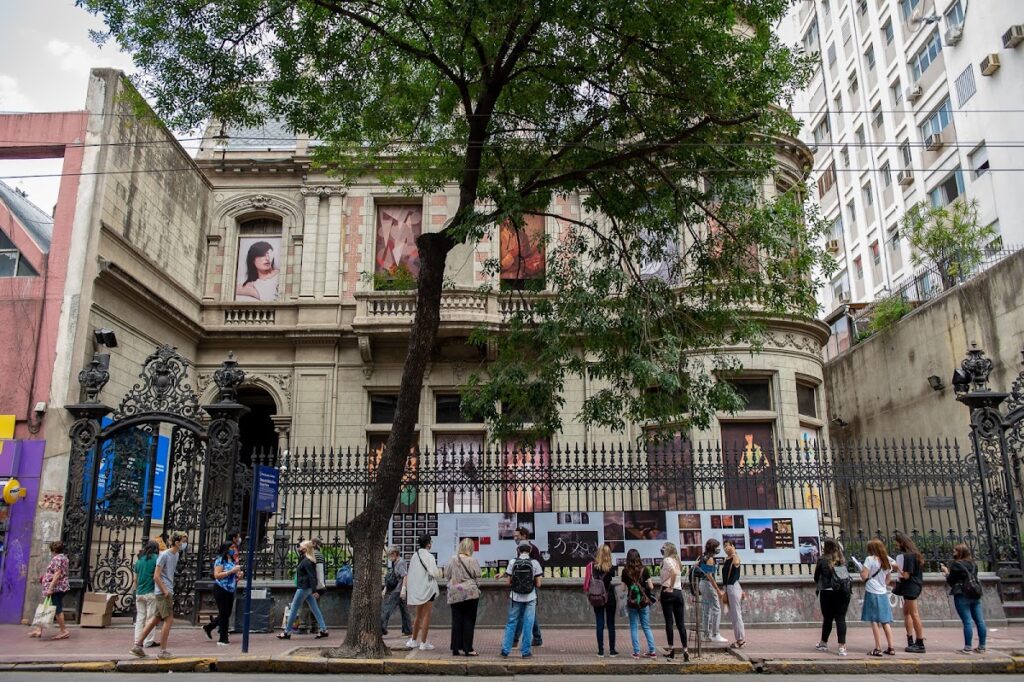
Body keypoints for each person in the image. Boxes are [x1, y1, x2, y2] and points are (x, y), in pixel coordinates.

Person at [131, 531, 188, 659]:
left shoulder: (176, 554)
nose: (185, 544)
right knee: (169, 620)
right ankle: (162, 651)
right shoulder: (164, 555)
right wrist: (165, 591)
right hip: (163, 592)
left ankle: (138, 645)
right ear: (177, 542)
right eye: (183, 541)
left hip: (166, 590)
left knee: (156, 619)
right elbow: (156, 576)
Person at [277, 540, 329, 640]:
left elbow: (312, 576)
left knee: (294, 609)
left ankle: (287, 632)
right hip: (307, 588)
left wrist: (314, 590)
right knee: (315, 609)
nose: (299, 549)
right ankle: (323, 629)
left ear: (305, 549)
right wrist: (313, 590)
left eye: (300, 547)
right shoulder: (307, 559)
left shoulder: (307, 561)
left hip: (304, 588)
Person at [852, 538, 895, 656]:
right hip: (883, 592)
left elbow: (864, 576)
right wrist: (882, 584)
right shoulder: (886, 560)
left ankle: (878, 648)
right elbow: (888, 579)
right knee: (885, 621)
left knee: (874, 621)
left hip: (872, 591)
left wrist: (861, 571)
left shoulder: (869, 559)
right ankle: (891, 647)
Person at [941, 543, 987, 654]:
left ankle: (968, 647)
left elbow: (951, 581)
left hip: (962, 594)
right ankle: (982, 646)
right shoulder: (973, 564)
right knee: (980, 621)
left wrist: (946, 572)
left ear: (960, 552)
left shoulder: (956, 565)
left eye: (955, 551)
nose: (953, 553)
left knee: (967, 621)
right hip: (975, 594)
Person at [500, 541, 542, 659]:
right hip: (530, 597)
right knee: (528, 623)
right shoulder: (535, 563)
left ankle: (505, 650)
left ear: (518, 550)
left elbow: (508, 582)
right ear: (530, 550)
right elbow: (538, 584)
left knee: (511, 622)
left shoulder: (512, 562)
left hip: (515, 596)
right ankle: (526, 652)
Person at [445, 537, 482, 656]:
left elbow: (447, 575)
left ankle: (455, 647)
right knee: (469, 620)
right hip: (470, 594)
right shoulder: (472, 560)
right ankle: (468, 648)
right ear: (471, 548)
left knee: (456, 620)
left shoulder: (452, 559)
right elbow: (478, 574)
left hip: (455, 593)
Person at [813, 538, 850, 656]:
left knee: (828, 619)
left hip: (827, 593)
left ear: (826, 547)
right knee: (841, 619)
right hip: (843, 593)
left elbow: (816, 577)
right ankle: (842, 647)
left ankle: (823, 643)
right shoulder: (842, 559)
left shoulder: (822, 560)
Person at [508, 527, 543, 647]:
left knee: (523, 615)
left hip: (527, 587)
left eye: (517, 536)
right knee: (529, 614)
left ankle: (515, 640)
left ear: (524, 536)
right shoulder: (520, 550)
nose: (515, 538)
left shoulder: (533, 550)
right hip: (526, 587)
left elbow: (537, 569)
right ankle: (536, 638)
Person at [404, 533, 440, 650]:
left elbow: (411, 573)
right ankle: (424, 643)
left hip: (418, 590)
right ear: (428, 544)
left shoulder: (415, 555)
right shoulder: (429, 557)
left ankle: (414, 640)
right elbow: (435, 573)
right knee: (426, 616)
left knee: (418, 615)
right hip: (429, 590)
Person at [28, 541, 70, 640]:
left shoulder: (56, 559)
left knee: (58, 609)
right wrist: (45, 577)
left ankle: (64, 631)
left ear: (53, 550)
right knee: (46, 607)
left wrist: (51, 588)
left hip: (56, 588)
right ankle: (39, 630)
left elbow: (57, 573)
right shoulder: (64, 558)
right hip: (61, 586)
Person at [204, 542, 243, 645]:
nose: (234, 549)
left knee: (226, 613)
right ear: (226, 549)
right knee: (224, 613)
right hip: (221, 588)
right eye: (232, 547)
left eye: (234, 547)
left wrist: (239, 574)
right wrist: (231, 571)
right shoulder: (220, 560)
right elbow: (217, 575)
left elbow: (234, 575)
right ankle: (223, 638)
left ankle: (210, 627)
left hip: (230, 589)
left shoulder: (232, 560)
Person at [621, 548, 657, 660]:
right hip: (643, 602)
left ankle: (636, 652)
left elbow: (622, 588)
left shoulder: (625, 571)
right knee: (646, 626)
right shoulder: (644, 570)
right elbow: (651, 586)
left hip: (632, 603)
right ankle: (652, 651)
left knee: (633, 626)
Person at [894, 531, 926, 653]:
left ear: (902, 543)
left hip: (910, 586)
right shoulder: (915, 555)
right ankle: (910, 640)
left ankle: (920, 642)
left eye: (897, 543)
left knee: (913, 614)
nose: (896, 546)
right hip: (913, 586)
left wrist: (897, 568)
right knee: (907, 613)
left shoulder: (908, 556)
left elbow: (906, 575)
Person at [585, 543, 619, 658]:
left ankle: (600, 651)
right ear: (609, 554)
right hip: (610, 597)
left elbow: (587, 584)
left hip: (597, 597)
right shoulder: (612, 568)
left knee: (599, 624)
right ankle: (612, 651)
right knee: (611, 624)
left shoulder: (593, 567)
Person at [658, 542, 688, 660]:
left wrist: (669, 587)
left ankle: (671, 649)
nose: (662, 549)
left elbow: (674, 573)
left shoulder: (667, 560)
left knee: (669, 622)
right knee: (681, 624)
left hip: (669, 593)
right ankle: (685, 650)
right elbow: (672, 575)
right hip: (678, 593)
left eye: (664, 547)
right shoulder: (677, 561)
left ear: (669, 550)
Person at [696, 538, 727, 643]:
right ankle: (715, 634)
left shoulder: (703, 557)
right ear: (714, 547)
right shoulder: (710, 559)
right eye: (717, 547)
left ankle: (705, 634)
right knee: (716, 609)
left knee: (706, 610)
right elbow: (710, 576)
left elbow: (698, 567)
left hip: (702, 584)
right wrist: (717, 589)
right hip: (708, 585)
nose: (719, 549)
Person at [133, 541, 160, 649]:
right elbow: (157, 575)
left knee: (140, 618)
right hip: (150, 592)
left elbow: (135, 579)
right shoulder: (156, 559)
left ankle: (137, 639)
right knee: (150, 618)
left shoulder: (139, 560)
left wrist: (136, 591)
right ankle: (148, 641)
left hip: (139, 592)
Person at [380, 546, 412, 637]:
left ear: (394, 553)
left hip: (398, 590)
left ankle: (381, 628)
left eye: (390, 555)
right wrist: (385, 589)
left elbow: (404, 576)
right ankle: (408, 629)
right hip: (398, 589)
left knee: (387, 608)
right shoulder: (396, 562)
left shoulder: (400, 562)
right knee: (404, 610)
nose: (389, 557)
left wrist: (403, 589)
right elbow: (392, 577)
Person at [721, 539, 745, 649]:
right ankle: (738, 638)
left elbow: (736, 564)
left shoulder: (736, 557)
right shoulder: (727, 559)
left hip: (733, 587)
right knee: (733, 615)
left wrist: (734, 552)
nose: (726, 548)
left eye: (728, 546)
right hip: (728, 588)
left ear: (733, 546)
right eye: (724, 546)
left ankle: (740, 640)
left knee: (736, 614)